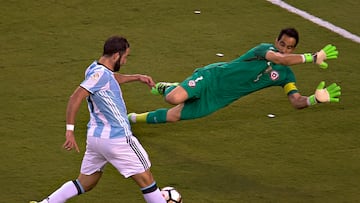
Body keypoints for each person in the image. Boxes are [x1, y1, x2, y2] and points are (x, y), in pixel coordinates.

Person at [30, 36, 166, 203]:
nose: (124, 62)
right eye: (125, 57)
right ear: (116, 55)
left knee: (86, 182)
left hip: (96, 139)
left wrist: (137, 77)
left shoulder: (94, 69)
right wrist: (69, 131)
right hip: (117, 138)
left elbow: (111, 79)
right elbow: (76, 97)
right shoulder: (100, 75)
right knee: (146, 179)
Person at [128, 28, 341, 124]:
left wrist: (314, 99)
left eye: (290, 47)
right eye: (282, 44)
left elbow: (295, 101)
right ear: (276, 41)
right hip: (212, 77)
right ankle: (170, 86)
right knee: (173, 98)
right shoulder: (264, 50)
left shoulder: (286, 76)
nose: (285, 49)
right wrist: (313, 57)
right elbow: (280, 59)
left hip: (220, 99)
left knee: (173, 116)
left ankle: (132, 119)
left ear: (295, 48)